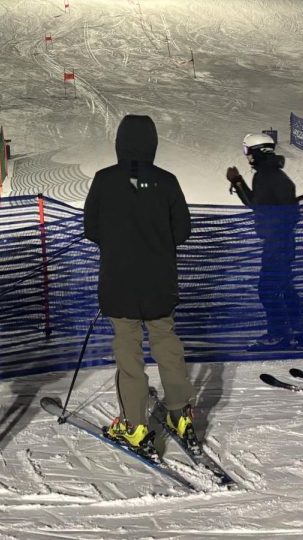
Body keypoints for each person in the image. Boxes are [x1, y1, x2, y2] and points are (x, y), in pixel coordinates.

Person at [83, 114, 195, 454]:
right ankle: (180, 413)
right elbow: (183, 232)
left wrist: (118, 242)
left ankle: (134, 424)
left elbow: (91, 229)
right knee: (167, 344)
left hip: (119, 283)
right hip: (160, 281)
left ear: (120, 143)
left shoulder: (104, 180)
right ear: (152, 144)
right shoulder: (167, 181)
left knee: (128, 352)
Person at [226, 133, 303, 350]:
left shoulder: (264, 176)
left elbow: (257, 205)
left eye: (247, 151)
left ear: (256, 152)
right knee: (284, 285)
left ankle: (279, 334)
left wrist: (237, 182)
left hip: (276, 242)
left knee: (268, 289)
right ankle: (300, 328)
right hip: (284, 240)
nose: (247, 157)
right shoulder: (277, 175)